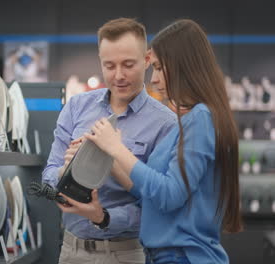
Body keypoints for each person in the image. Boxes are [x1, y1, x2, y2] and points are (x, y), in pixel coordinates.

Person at [82, 19, 243, 264]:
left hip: (183, 257)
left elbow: (169, 195)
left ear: (181, 65)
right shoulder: (191, 122)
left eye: (158, 67)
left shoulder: (200, 118)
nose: (154, 79)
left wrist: (117, 148)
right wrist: (107, 156)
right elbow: (150, 193)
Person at [42, 18, 176, 264]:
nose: (119, 76)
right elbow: (48, 176)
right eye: (109, 65)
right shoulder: (76, 107)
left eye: (128, 65)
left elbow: (158, 206)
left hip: (126, 253)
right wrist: (65, 171)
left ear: (147, 60)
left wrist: (103, 216)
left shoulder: (165, 124)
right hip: (71, 250)